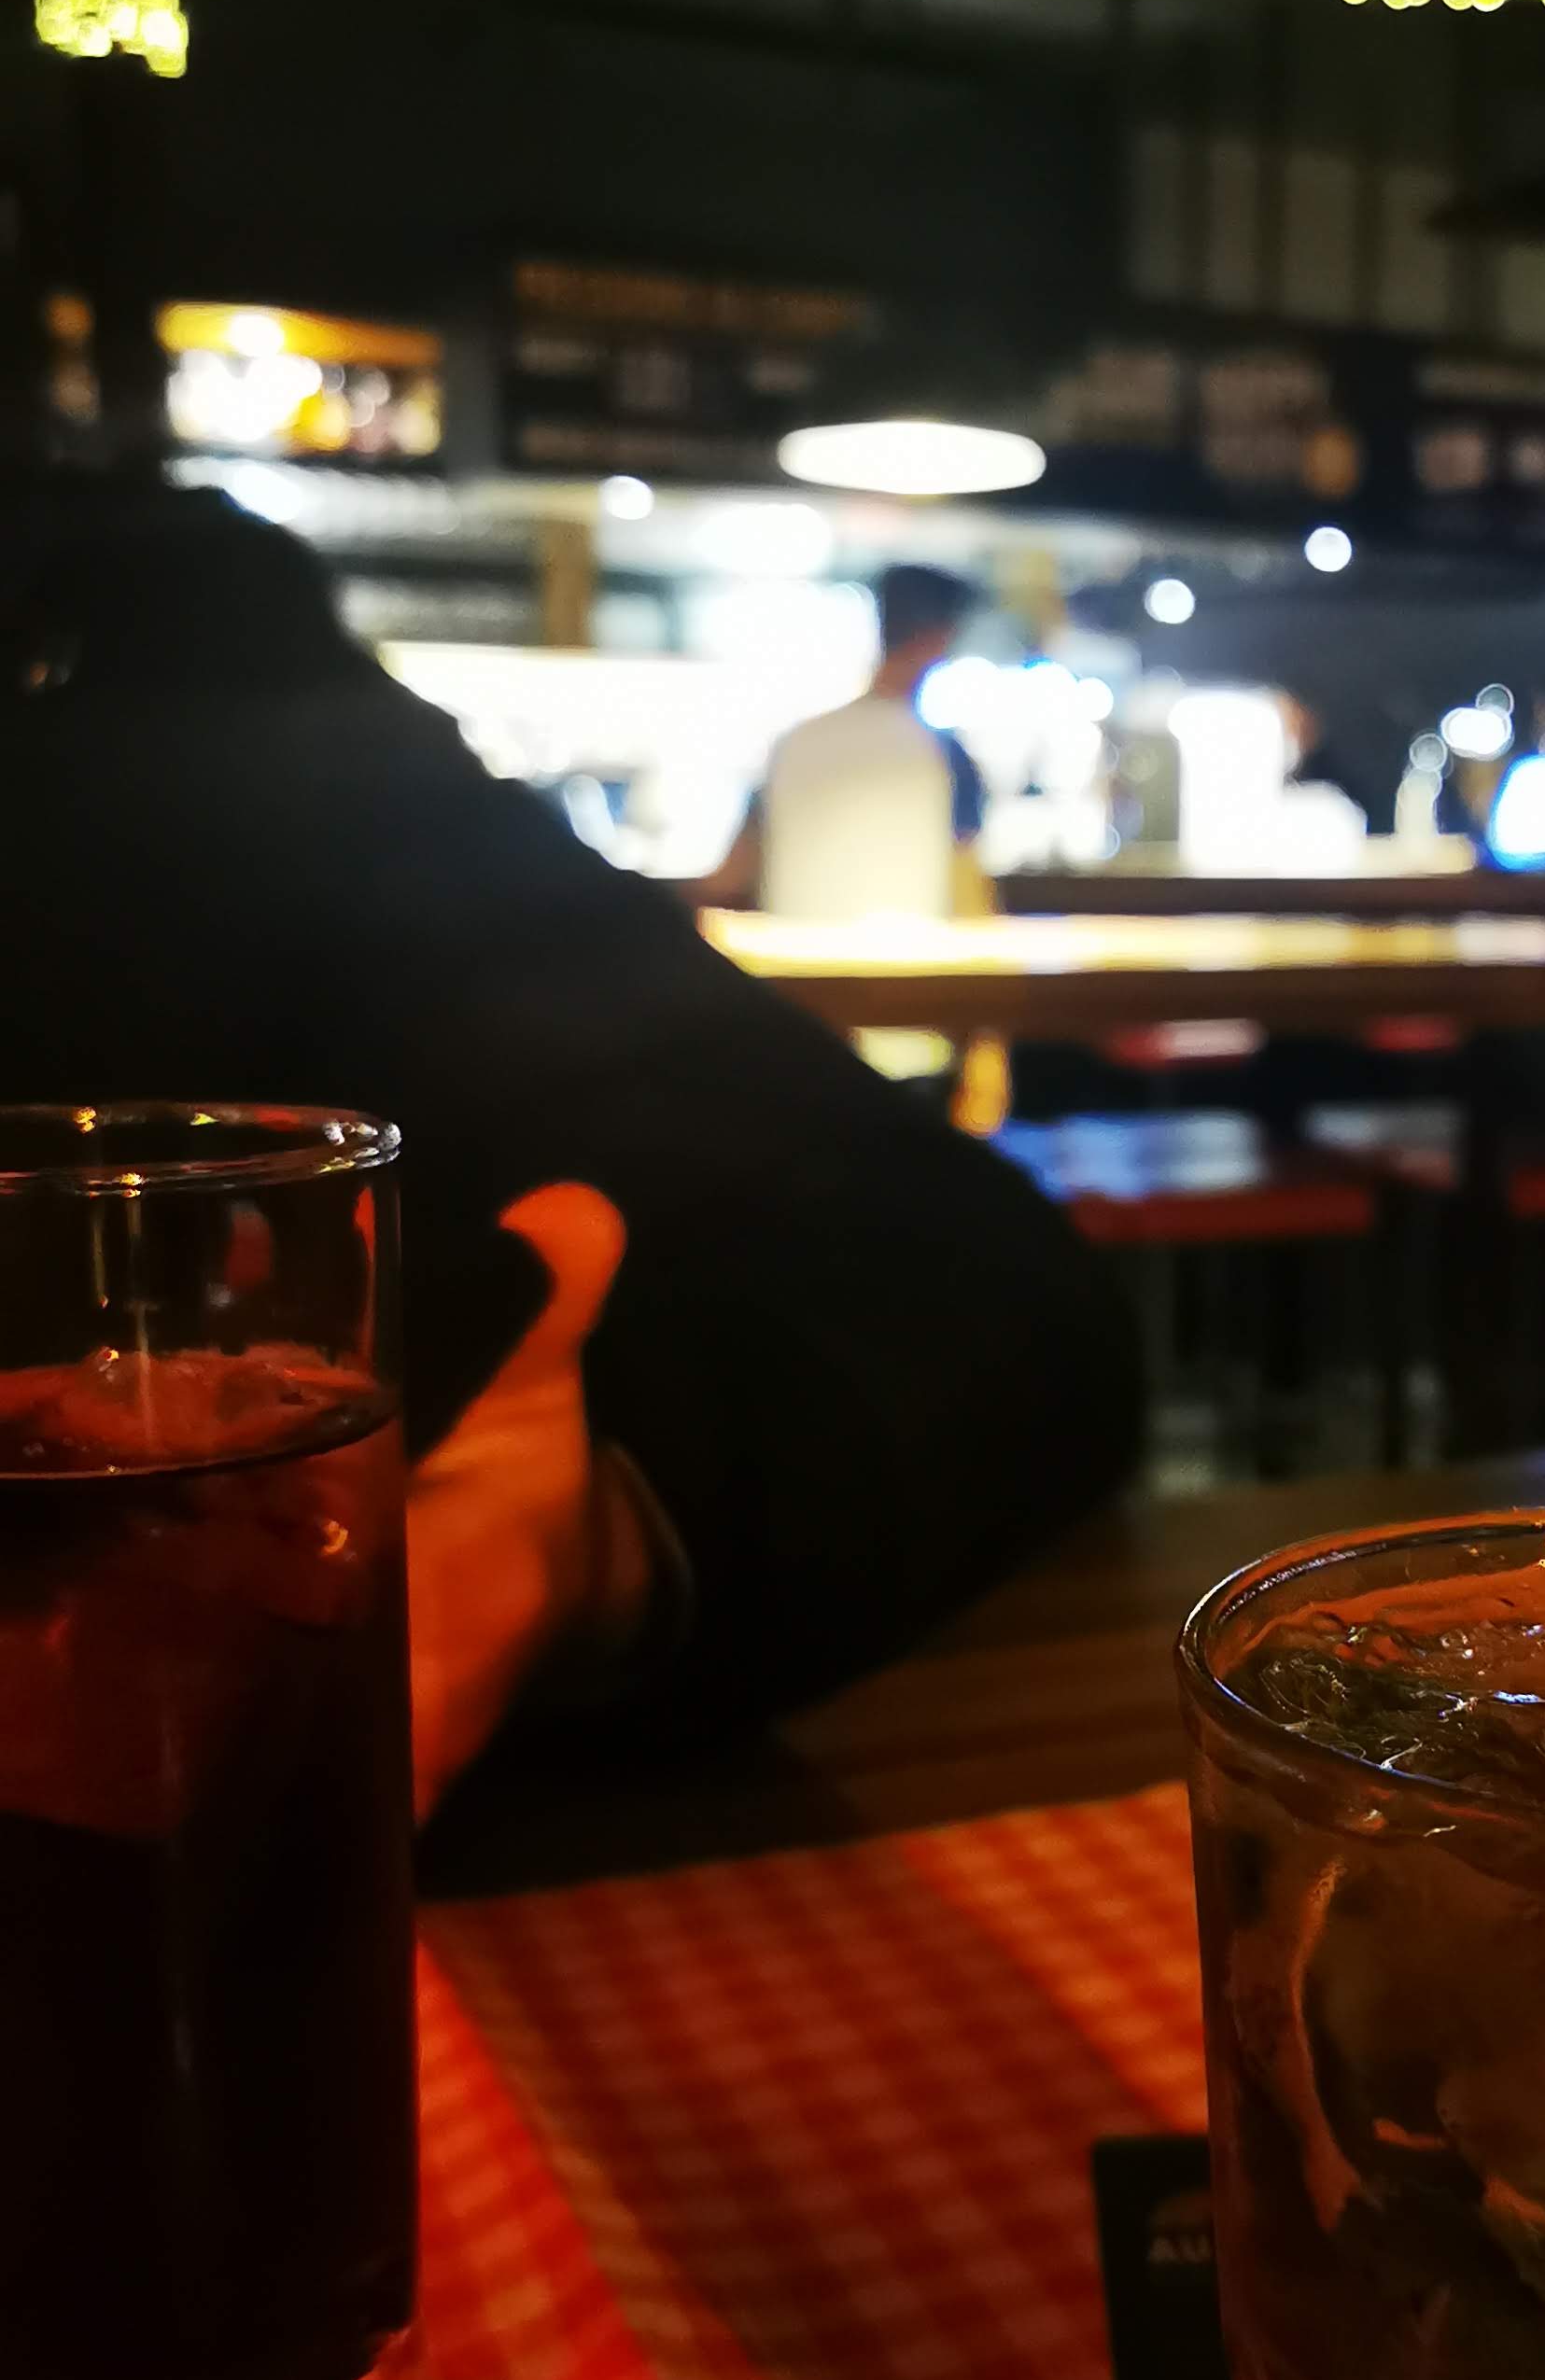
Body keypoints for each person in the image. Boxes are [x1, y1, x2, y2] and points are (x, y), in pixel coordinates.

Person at [0, 473, 1144, 1824]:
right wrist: (576, 1537)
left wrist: (545, 1535)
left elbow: (1014, 1304)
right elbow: (1033, 1301)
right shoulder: (353, 768)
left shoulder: (225, 768)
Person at [757, 560, 985, 914]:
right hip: (908, 949)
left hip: (791, 949)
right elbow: (969, 896)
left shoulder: (798, 742)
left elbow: (735, 872)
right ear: (941, 637)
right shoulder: (942, 754)